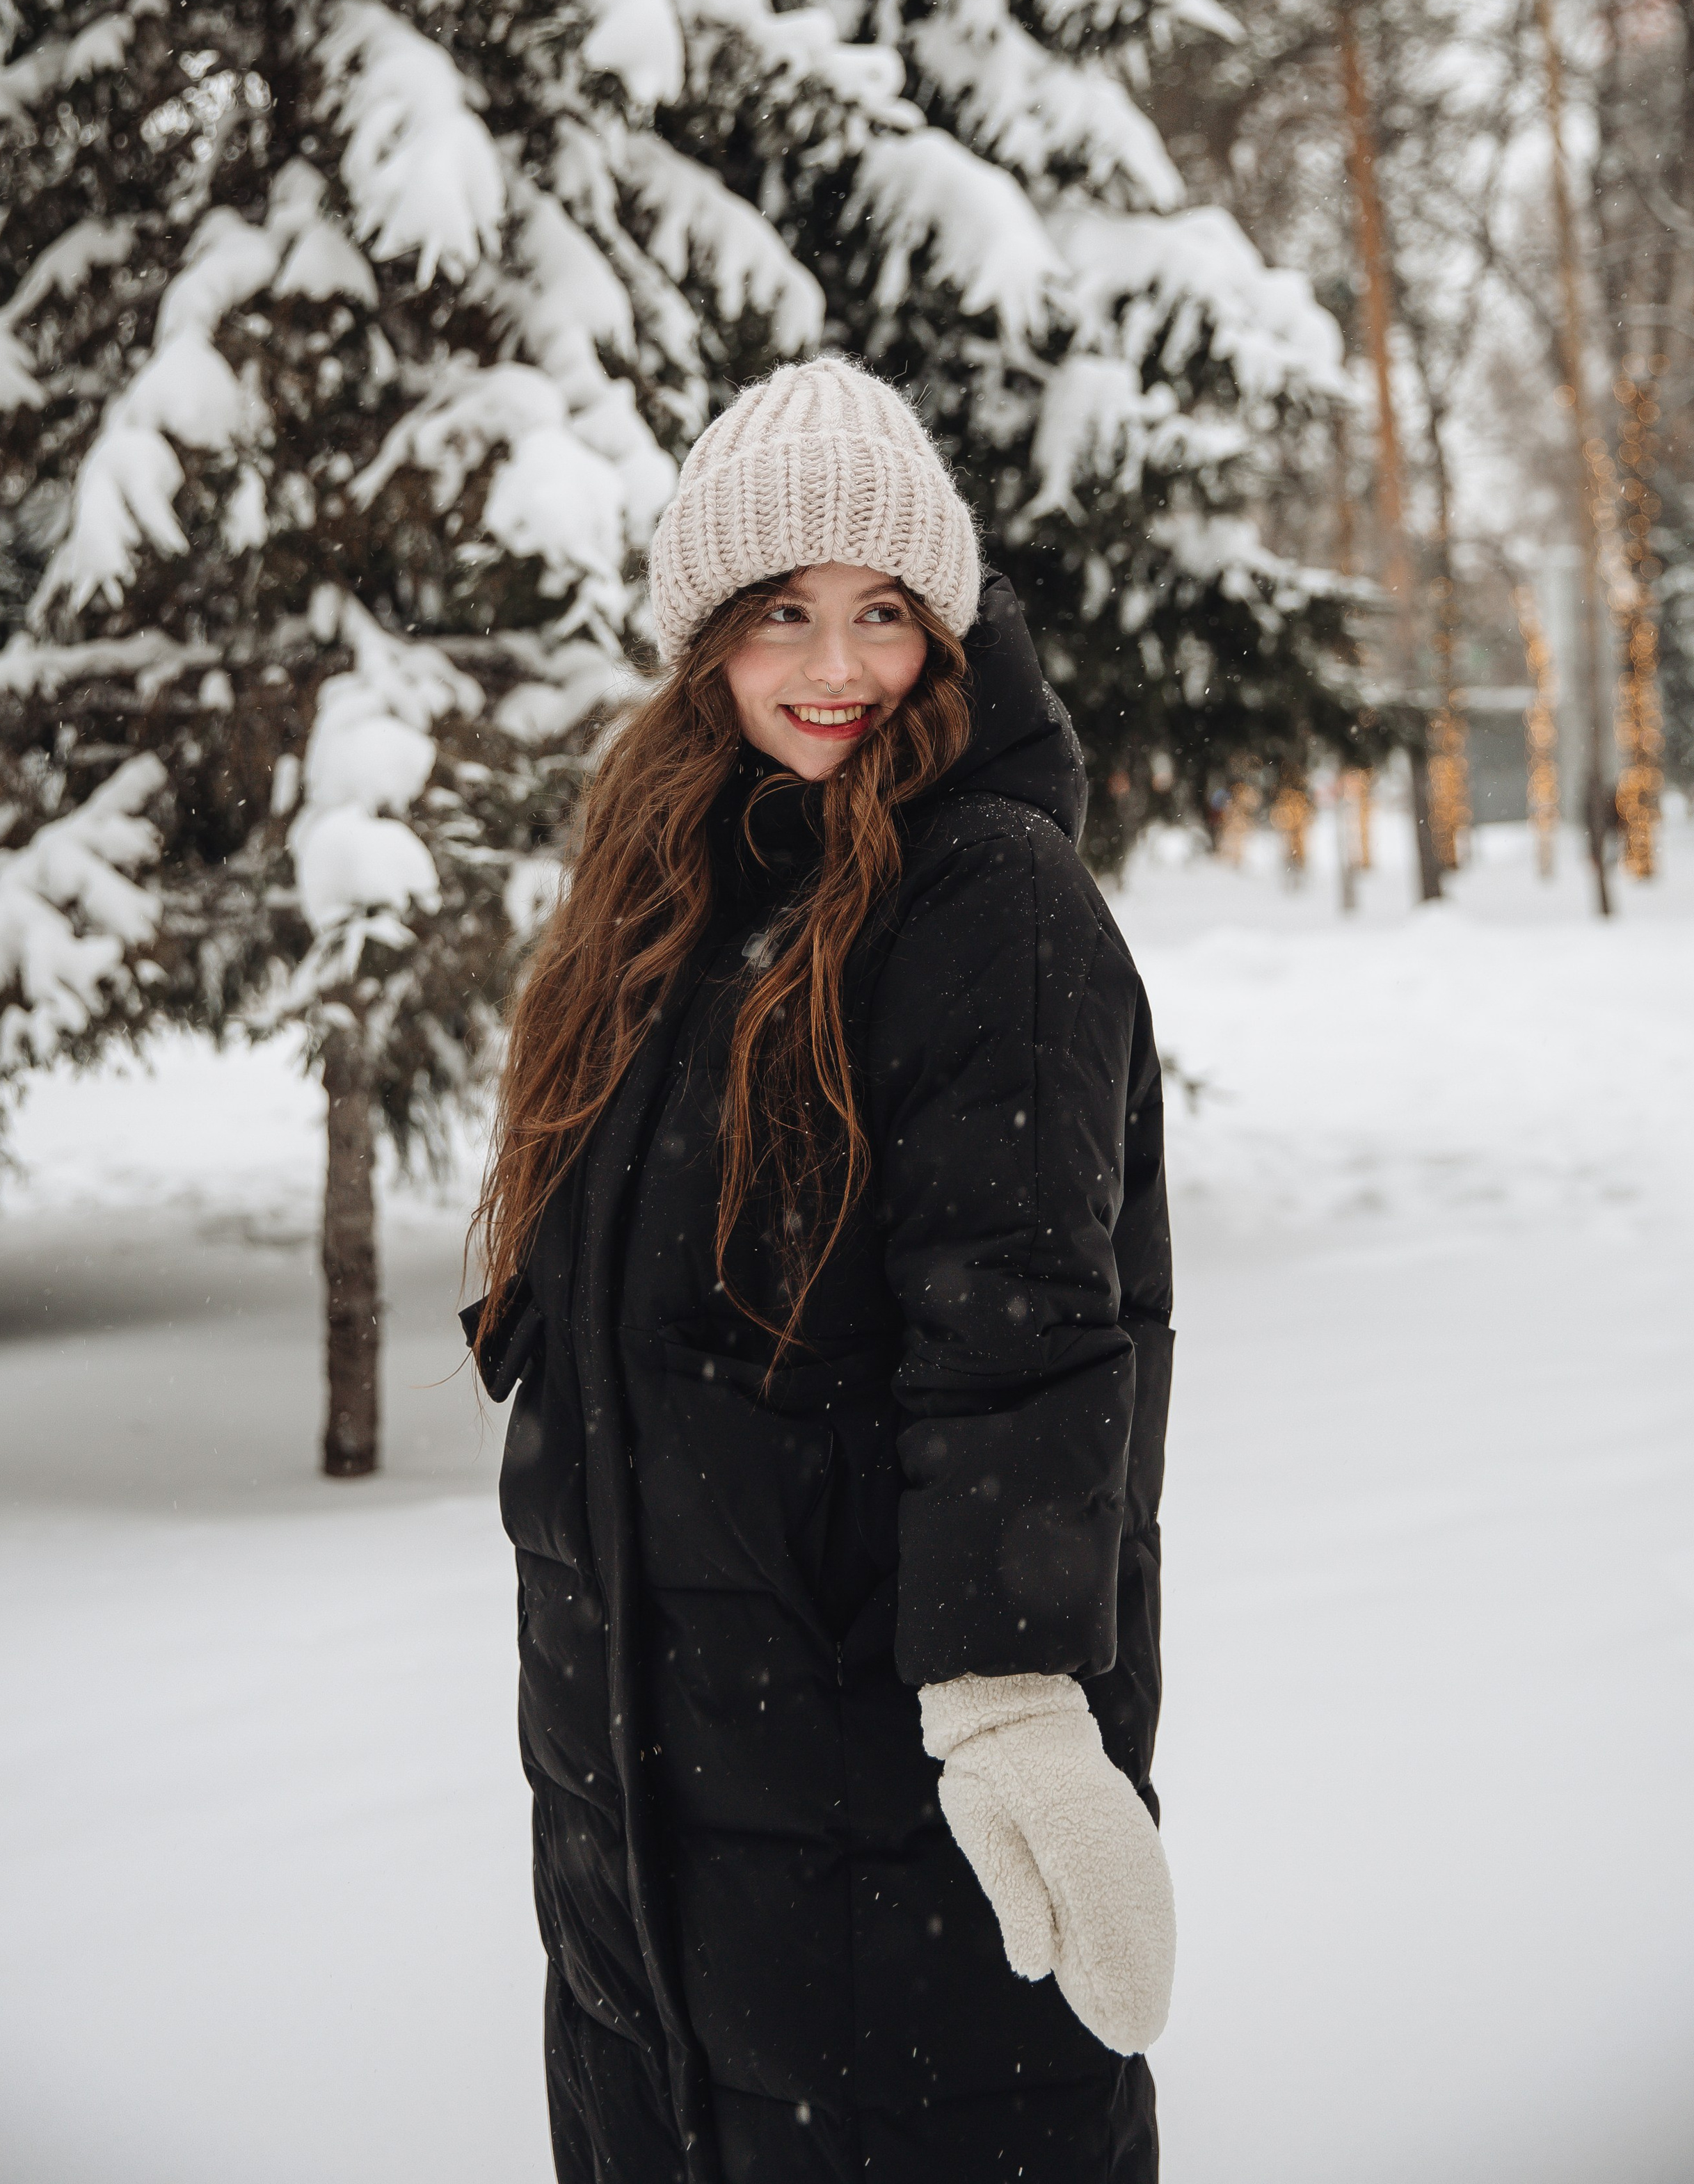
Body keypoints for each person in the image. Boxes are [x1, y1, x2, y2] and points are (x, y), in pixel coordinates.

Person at [467, 356, 1176, 2184]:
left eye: (884, 612)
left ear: (946, 632)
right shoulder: (664, 894)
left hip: (888, 1789)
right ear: (706, 636)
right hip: (643, 1825)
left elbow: (1023, 1321)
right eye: (782, 611)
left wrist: (1015, 1701)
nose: (837, 666)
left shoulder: (988, 895)